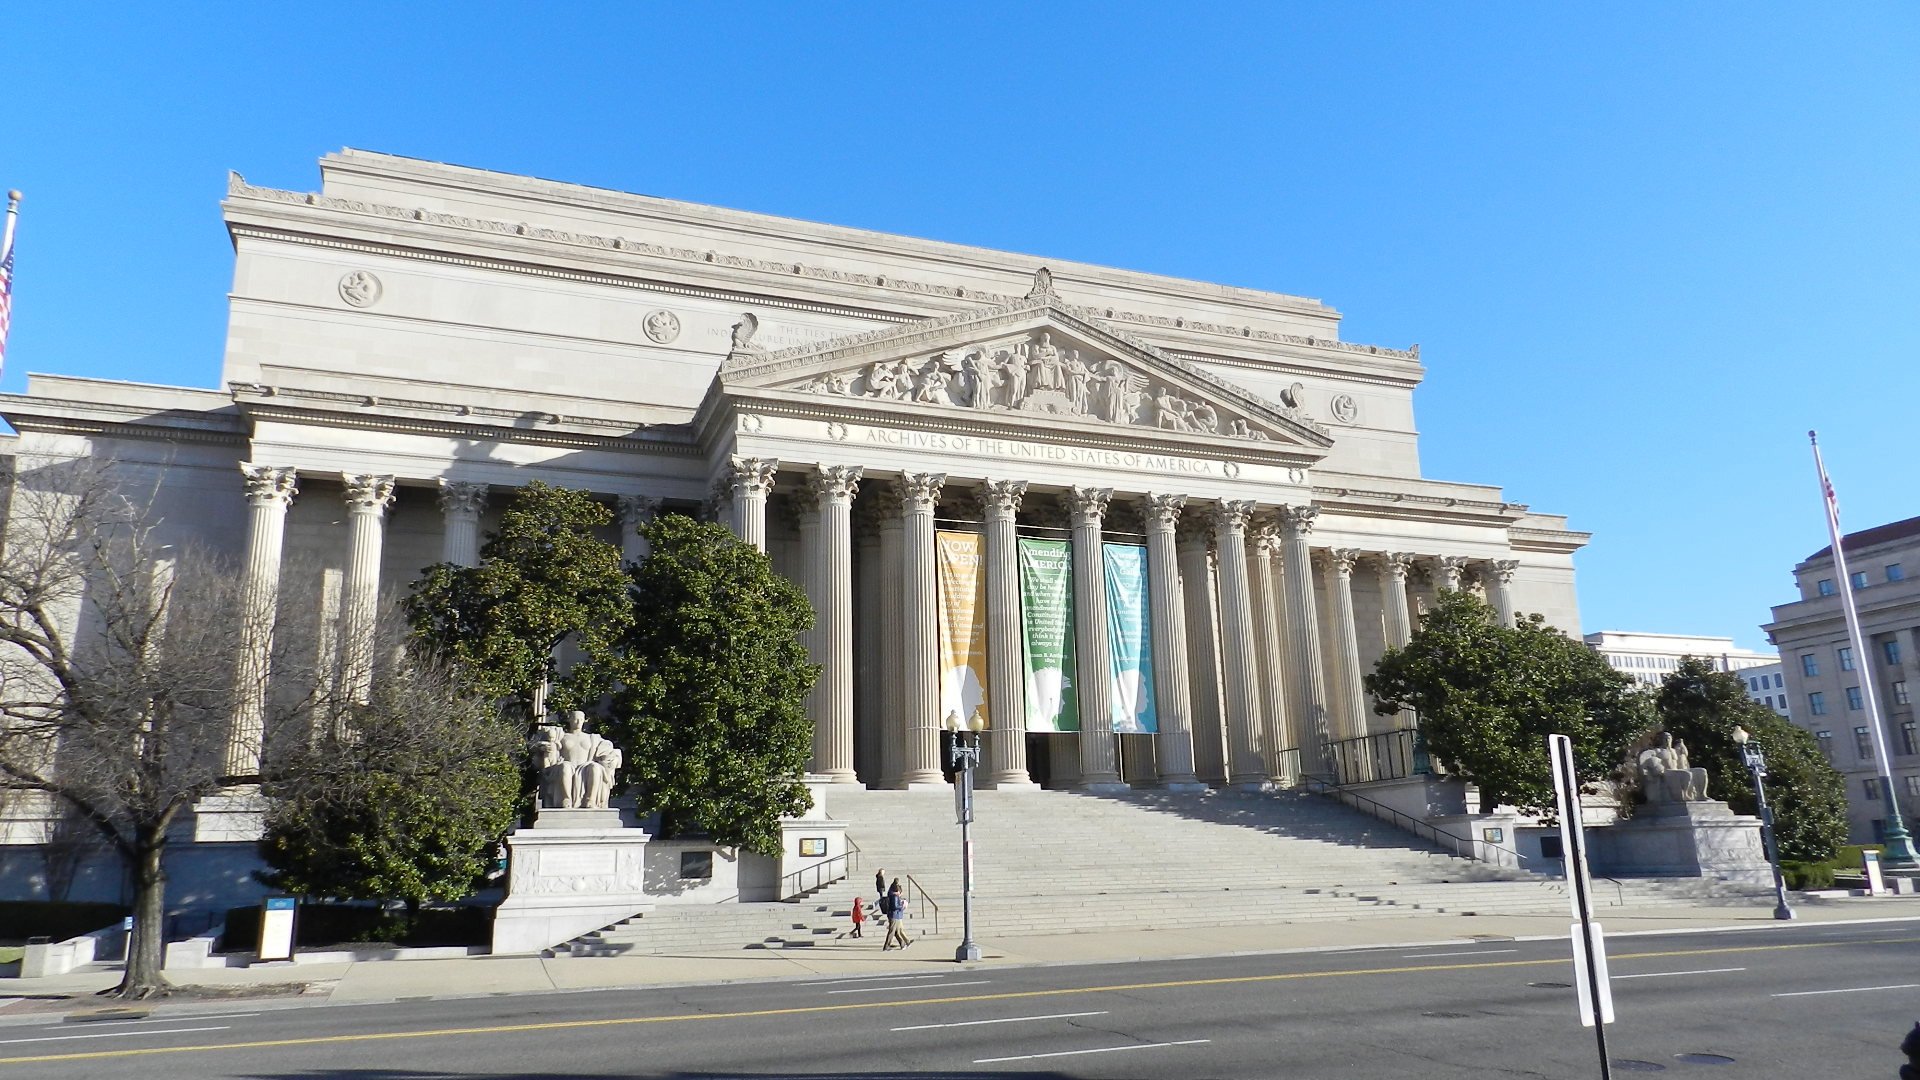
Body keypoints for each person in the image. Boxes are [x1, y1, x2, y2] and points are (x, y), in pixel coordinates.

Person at [883, 880, 912, 950]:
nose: (900, 893)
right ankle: (886, 946)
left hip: (894, 914)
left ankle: (902, 943)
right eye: (899, 891)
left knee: (895, 931)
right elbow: (895, 906)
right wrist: (902, 906)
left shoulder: (892, 896)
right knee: (892, 931)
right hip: (894, 915)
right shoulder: (894, 897)